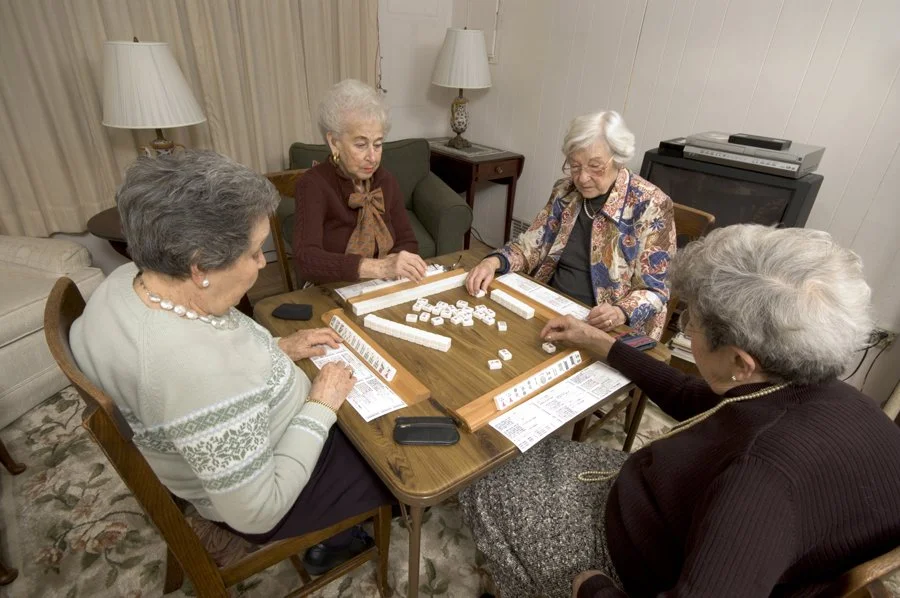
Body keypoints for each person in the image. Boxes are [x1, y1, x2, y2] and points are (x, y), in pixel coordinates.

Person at [460, 224, 900, 597]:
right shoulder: (824, 392)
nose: (685, 326)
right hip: (658, 503)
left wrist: (593, 588)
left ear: (741, 363)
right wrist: (606, 346)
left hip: (624, 559)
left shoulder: (760, 482)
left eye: (691, 322)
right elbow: (696, 398)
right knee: (527, 455)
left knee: (481, 476)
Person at [71, 150, 394, 575]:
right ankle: (341, 536)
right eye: (257, 251)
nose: (264, 262)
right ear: (200, 265)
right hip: (276, 494)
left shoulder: (121, 282)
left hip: (231, 440)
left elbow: (209, 381)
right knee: (392, 453)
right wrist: (321, 405)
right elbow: (257, 511)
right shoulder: (195, 368)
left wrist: (278, 352)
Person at [465, 111, 675, 339]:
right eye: (575, 166)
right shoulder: (565, 191)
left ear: (619, 158)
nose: (582, 178)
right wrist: (494, 261)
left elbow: (656, 290)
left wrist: (619, 312)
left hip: (605, 327)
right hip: (550, 304)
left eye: (595, 166)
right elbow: (531, 245)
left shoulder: (651, 205)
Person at [293, 78, 428, 284]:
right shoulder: (313, 184)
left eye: (378, 144)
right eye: (361, 145)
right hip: (332, 289)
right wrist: (379, 267)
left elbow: (407, 241)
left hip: (381, 287)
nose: (372, 158)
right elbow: (306, 261)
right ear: (334, 142)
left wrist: (395, 264)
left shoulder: (386, 181)